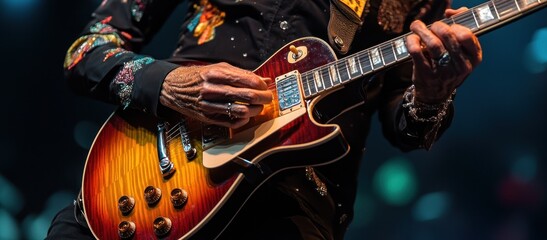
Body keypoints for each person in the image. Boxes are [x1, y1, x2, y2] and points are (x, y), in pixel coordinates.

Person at [47, 0, 482, 239]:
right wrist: (169, 82)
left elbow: (408, 129)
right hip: (144, 173)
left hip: (293, 204)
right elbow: (85, 51)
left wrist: (433, 93)